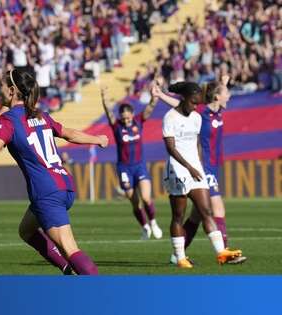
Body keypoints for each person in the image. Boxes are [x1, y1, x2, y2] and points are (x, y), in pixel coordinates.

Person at [0, 68, 109, 275]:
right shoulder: (41, 115)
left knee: (69, 248)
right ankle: (68, 268)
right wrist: (98, 139)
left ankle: (103, 296)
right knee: (26, 230)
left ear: (13, 90)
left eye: (1, 87)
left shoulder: (7, 120)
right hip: (64, 185)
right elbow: (69, 134)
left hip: (46, 191)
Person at [154, 76, 247, 264]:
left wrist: (197, 166)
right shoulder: (170, 118)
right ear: (185, 99)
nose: (196, 107)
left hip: (197, 170)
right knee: (178, 216)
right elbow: (171, 148)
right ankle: (179, 257)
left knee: (206, 211)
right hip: (178, 171)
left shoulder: (197, 117)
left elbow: (195, 144)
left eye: (198, 103)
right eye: (193, 103)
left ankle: (222, 253)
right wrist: (160, 95)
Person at [100, 86, 163, 240]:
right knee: (134, 202)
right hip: (124, 169)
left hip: (139, 166)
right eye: (124, 118)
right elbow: (109, 113)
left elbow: (150, 108)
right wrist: (104, 99)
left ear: (132, 115)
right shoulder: (117, 127)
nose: (126, 120)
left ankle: (153, 222)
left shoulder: (139, 121)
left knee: (146, 198)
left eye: (128, 117)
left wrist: (155, 97)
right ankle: (144, 227)